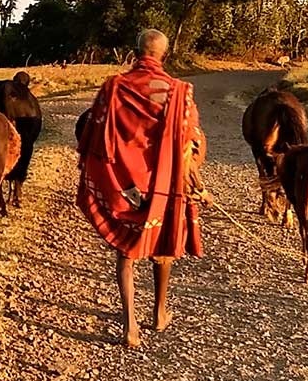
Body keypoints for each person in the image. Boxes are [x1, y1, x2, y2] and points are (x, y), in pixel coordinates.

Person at [76, 29, 210, 349]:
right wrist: (198, 185)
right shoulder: (179, 93)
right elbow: (188, 143)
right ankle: (160, 313)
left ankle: (130, 327)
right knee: (162, 251)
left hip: (124, 186)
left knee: (126, 254)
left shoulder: (114, 87)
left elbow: (94, 136)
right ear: (165, 54)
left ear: (135, 50)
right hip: (164, 186)